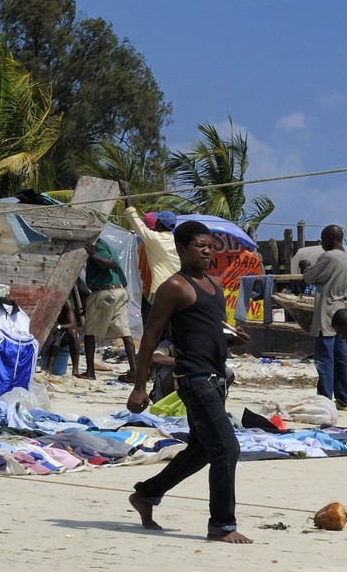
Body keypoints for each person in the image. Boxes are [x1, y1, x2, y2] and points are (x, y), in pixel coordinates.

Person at [126, 220, 250, 543]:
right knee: (226, 447)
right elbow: (150, 337)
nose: (207, 251)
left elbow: (209, 330)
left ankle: (147, 494)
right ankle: (222, 525)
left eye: (210, 246)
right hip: (194, 379)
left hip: (217, 377)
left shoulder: (214, 284)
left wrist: (231, 340)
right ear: (181, 249)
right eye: (200, 246)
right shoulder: (174, 287)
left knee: (204, 448)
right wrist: (140, 386)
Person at [302, 225, 347, 410]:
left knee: (324, 360)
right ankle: (344, 400)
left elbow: (308, 277)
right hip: (340, 313)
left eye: (323, 239)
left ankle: (325, 400)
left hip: (325, 314)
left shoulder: (328, 257)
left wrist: (306, 268)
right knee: (341, 359)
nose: (322, 243)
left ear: (331, 238)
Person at [80, 236, 137, 379]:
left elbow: (112, 264)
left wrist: (93, 256)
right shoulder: (105, 244)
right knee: (125, 332)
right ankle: (134, 371)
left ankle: (90, 372)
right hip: (119, 291)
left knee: (89, 332)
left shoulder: (97, 244)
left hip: (105, 292)